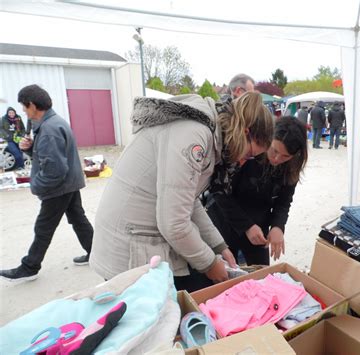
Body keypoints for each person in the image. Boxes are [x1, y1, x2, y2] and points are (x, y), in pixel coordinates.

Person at [89, 92, 274, 292]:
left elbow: (189, 199)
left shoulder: (207, 132)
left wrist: (219, 246)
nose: (242, 162)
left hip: (141, 237)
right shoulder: (194, 135)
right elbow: (174, 222)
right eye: (248, 154)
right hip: (128, 246)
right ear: (244, 132)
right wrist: (209, 263)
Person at [0, 85, 94, 283]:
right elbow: (52, 157)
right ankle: (96, 253)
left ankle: (29, 267)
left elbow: (55, 171)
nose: (23, 111)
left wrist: (36, 185)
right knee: (78, 219)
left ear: (33, 105)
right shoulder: (54, 122)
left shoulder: (49, 129)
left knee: (43, 227)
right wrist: (32, 148)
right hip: (70, 183)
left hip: (59, 187)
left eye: (24, 107)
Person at [206, 117, 308, 265]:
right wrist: (247, 226)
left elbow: (284, 201)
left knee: (261, 276)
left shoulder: (291, 166)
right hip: (225, 221)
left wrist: (277, 226)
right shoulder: (249, 150)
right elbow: (220, 193)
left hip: (259, 228)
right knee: (224, 276)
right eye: (274, 151)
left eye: (285, 156)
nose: (277, 159)